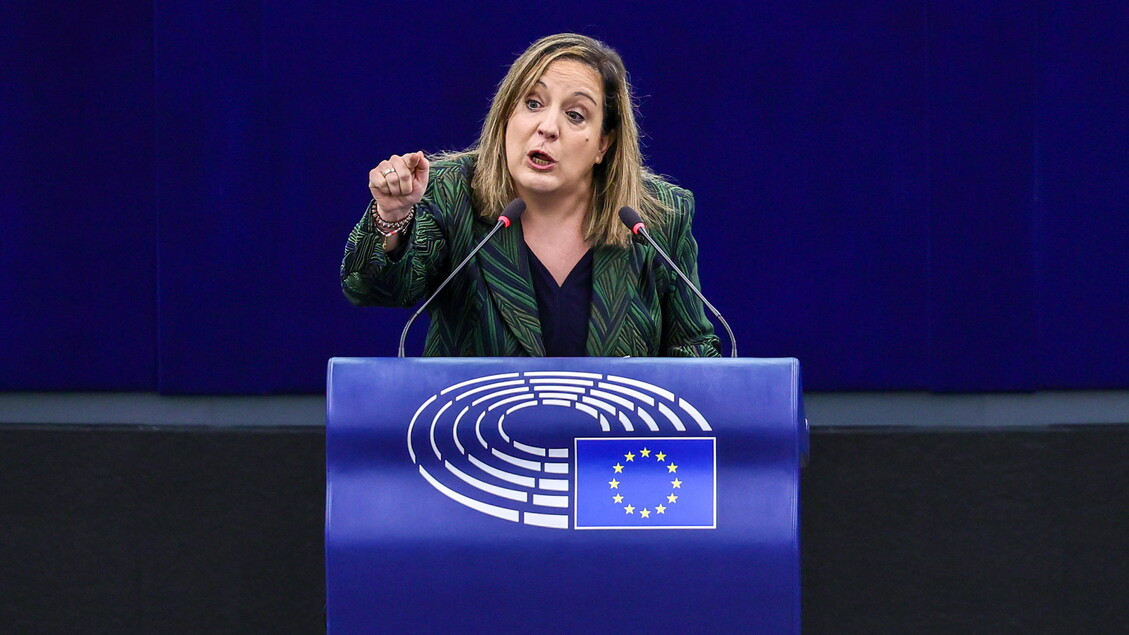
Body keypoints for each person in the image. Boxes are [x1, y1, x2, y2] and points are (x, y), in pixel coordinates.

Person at [341, 33, 721, 357]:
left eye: (575, 115)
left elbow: (692, 348)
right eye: (533, 103)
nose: (548, 127)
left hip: (612, 426)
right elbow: (375, 289)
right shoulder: (450, 192)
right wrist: (392, 216)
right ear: (507, 114)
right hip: (481, 423)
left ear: (603, 144)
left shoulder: (657, 216)